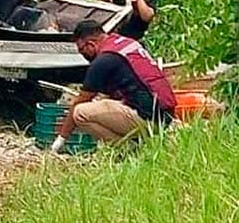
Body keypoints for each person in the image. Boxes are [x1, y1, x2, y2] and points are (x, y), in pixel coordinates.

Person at [51, 20, 177, 152]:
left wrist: (61, 139)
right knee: (104, 102)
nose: (83, 55)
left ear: (91, 44)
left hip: (149, 120)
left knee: (80, 113)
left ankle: (127, 148)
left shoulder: (103, 60)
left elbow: (81, 101)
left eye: (82, 50)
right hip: (165, 114)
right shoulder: (127, 43)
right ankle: (135, 141)